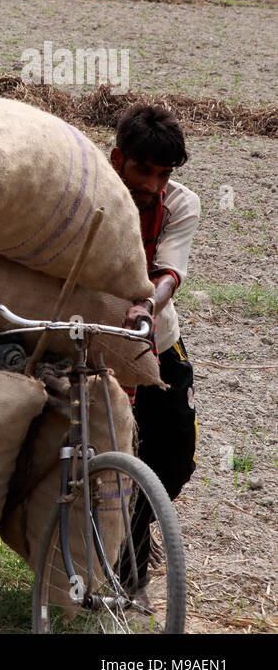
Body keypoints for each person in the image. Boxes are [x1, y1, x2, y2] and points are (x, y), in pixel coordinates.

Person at [111, 106, 201, 505]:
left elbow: (170, 272)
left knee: (175, 455)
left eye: (163, 174)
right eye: (142, 170)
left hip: (156, 338)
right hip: (91, 340)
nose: (152, 184)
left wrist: (147, 305)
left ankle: (138, 529)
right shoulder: (88, 194)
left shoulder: (181, 204)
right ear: (117, 160)